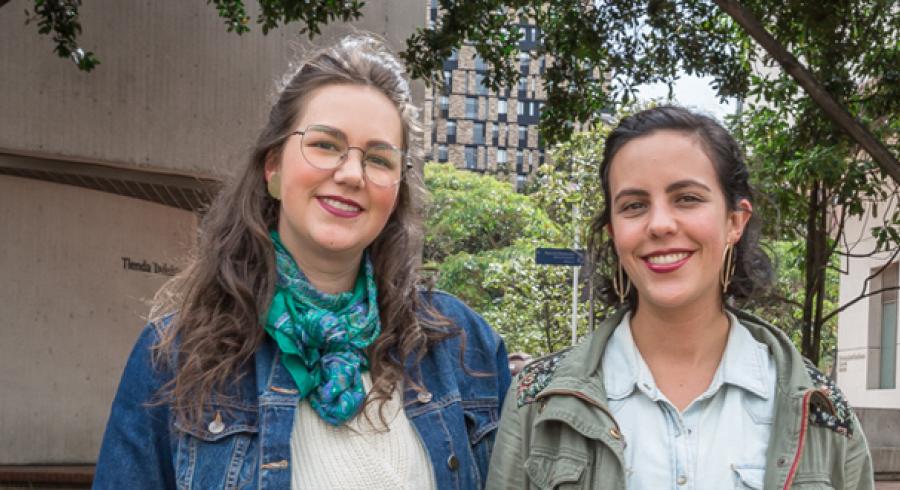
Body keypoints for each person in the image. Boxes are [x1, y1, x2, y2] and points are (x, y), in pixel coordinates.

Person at [94, 34, 510, 490]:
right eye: (326, 144)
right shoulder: (174, 356)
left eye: (378, 158)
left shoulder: (465, 346)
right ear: (273, 166)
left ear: (397, 189)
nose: (351, 174)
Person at [487, 106, 873, 489]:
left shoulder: (822, 410)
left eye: (687, 198)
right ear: (614, 232)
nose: (659, 224)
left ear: (735, 221)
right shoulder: (536, 400)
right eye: (634, 206)